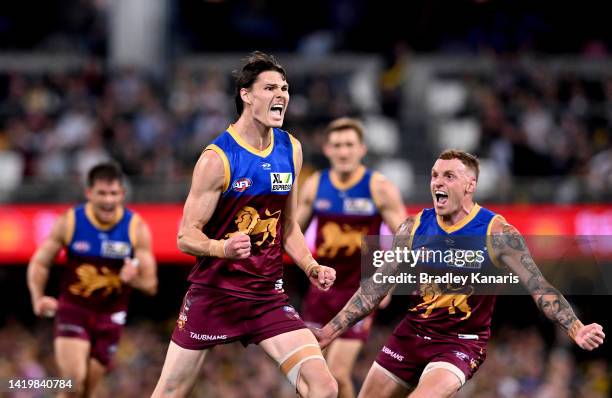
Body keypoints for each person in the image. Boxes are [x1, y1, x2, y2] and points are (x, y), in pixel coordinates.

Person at [314, 149, 605, 398]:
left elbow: (540, 287)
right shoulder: (413, 227)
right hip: (411, 334)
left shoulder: (498, 232)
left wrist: (575, 327)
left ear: (470, 185)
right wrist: (329, 331)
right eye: (434, 175)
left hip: (460, 342)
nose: (438, 182)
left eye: (448, 176)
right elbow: (376, 287)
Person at [152, 51, 338, 398]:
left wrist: (311, 266)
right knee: (170, 392)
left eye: (284, 88)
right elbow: (184, 236)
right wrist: (221, 247)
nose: (281, 94)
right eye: (270, 87)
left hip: (266, 295)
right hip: (215, 294)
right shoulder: (217, 159)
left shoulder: (290, 149)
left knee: (324, 387)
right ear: (246, 95)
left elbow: (289, 226)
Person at [27, 162, 158, 398]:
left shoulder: (136, 228)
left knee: (86, 391)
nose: (108, 200)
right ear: (89, 193)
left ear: (122, 194)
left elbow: (151, 285)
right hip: (74, 309)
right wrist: (37, 297)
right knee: (73, 383)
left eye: (113, 194)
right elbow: (40, 262)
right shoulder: (71, 221)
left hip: (111, 317)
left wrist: (133, 280)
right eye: (102, 193)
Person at [297, 117, 407, 397]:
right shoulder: (314, 185)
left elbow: (407, 238)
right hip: (320, 293)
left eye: (349, 145)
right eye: (337, 145)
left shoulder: (378, 187)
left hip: (359, 293)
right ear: (327, 149)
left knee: (337, 372)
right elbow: (291, 234)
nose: (343, 151)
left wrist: (387, 283)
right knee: (311, 377)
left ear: (362, 149)